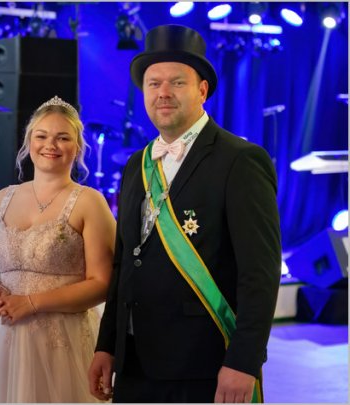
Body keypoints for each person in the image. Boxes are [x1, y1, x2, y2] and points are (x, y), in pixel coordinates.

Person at [88, 25, 281, 403]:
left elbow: (260, 273)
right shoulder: (136, 164)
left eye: (177, 82)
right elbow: (125, 263)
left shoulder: (240, 161)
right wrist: (107, 344)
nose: (163, 92)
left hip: (202, 363)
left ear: (202, 90)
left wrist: (243, 361)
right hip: (134, 361)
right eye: (153, 83)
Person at [0, 96, 116, 402]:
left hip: (62, 338)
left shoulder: (89, 202)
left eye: (62, 137)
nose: (50, 145)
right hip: (0, 336)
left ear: (77, 147)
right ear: (29, 143)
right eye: (41, 136)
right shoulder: (2, 198)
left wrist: (31, 302)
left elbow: (102, 284)